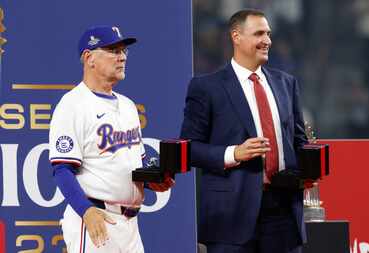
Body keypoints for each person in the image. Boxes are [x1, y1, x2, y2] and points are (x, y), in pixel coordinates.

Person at [180, 9, 308, 253]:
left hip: (284, 213)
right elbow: (189, 149)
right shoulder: (207, 87)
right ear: (236, 37)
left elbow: (299, 141)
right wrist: (234, 153)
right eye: (259, 33)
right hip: (231, 216)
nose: (267, 41)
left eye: (268, 34)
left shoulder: (286, 83)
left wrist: (310, 166)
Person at [49, 25, 174, 253]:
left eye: (124, 51)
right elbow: (62, 169)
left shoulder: (127, 105)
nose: (122, 57)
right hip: (96, 218)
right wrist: (85, 211)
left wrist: (153, 179)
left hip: (130, 224)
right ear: (89, 58)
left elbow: (135, 163)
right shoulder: (72, 105)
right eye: (113, 51)